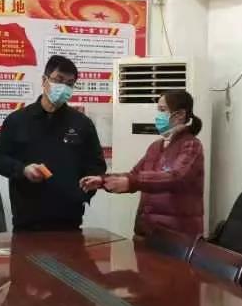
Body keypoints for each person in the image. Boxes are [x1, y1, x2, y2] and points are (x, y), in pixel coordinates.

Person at [0, 55, 107, 231]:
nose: (63, 87)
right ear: (44, 81)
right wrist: (22, 169)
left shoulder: (82, 123)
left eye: (69, 83)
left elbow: (96, 164)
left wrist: (83, 193)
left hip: (69, 218)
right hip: (27, 218)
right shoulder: (18, 120)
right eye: (58, 80)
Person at [81, 89, 204, 236]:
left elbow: (176, 177)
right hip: (147, 231)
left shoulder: (191, 145)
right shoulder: (156, 146)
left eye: (162, 110)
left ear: (180, 115)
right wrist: (103, 181)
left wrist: (131, 182)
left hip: (177, 236)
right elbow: (134, 174)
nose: (158, 116)